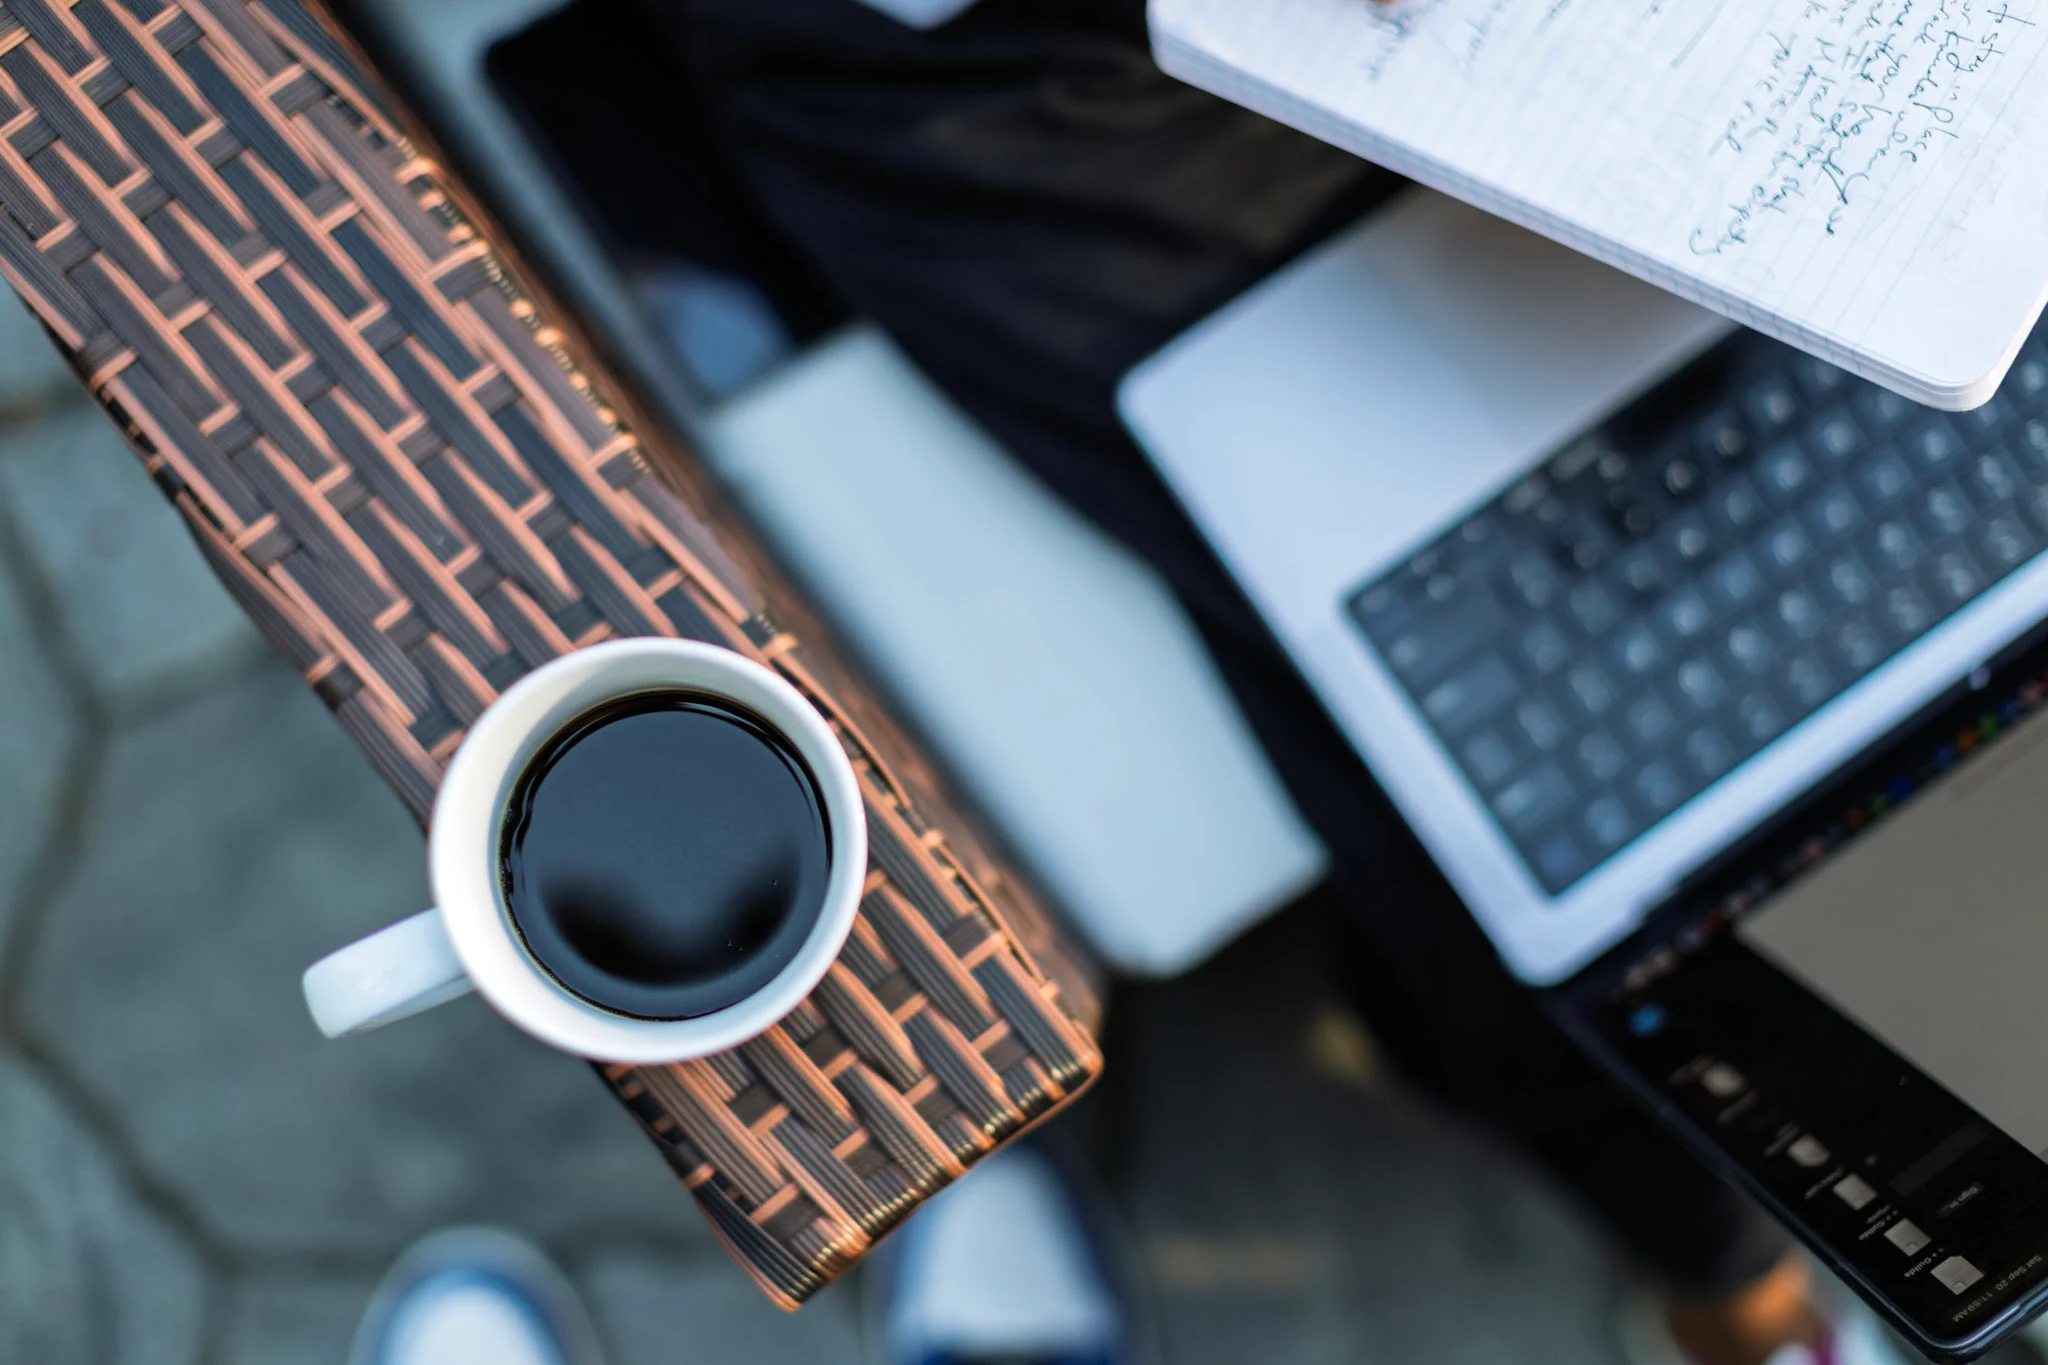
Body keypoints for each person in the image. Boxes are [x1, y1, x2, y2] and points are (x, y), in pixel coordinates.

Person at [602, 2, 2032, 1362]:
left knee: (1580, 807)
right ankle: (1731, 1275)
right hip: (1062, 83)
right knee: (1531, 841)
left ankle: (1728, 1249)